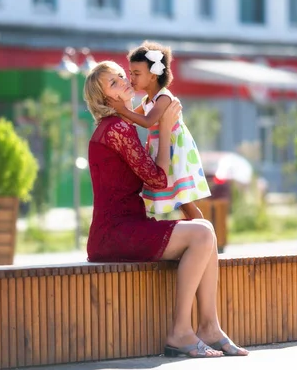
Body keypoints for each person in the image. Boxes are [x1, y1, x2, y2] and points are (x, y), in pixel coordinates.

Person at [83, 60, 248, 358]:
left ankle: (210, 326)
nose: (124, 81)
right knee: (201, 234)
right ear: (105, 98)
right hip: (117, 233)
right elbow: (158, 180)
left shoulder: (118, 127)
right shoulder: (118, 128)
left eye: (123, 76)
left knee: (205, 230)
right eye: (114, 82)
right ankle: (180, 332)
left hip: (124, 229)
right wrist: (166, 128)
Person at [111, 40, 210, 220]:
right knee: (181, 201)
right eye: (130, 73)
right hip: (162, 150)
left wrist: (122, 110)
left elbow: (148, 121)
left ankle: (205, 233)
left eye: (136, 74)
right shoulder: (147, 101)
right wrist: (120, 108)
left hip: (174, 151)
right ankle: (201, 232)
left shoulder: (163, 98)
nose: (131, 78)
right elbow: (130, 119)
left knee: (185, 200)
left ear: (153, 75)